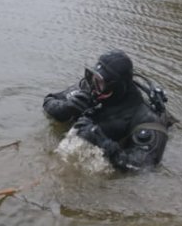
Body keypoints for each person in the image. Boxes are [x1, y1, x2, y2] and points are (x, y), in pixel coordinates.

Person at [43, 49, 173, 171]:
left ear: (116, 87)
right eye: (93, 77)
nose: (93, 87)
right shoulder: (89, 87)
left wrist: (104, 143)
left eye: (100, 83)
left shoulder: (144, 118)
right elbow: (49, 101)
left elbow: (145, 165)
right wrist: (65, 108)